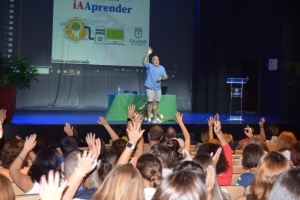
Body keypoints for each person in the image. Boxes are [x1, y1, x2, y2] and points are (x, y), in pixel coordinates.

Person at [142, 47, 168, 123]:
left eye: (157, 59)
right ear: (152, 61)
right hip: (149, 86)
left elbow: (166, 77)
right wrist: (147, 54)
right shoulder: (149, 66)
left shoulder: (162, 68)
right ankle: (149, 117)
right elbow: (144, 62)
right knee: (150, 102)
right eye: (155, 59)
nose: (156, 61)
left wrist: (162, 78)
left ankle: (156, 117)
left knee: (156, 102)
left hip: (157, 88)